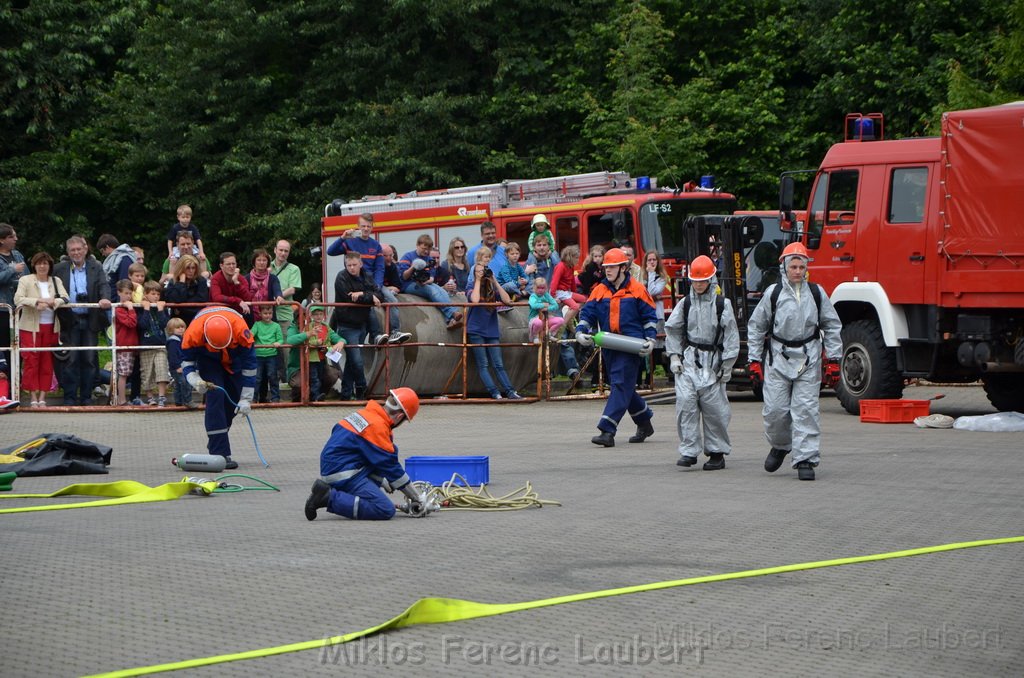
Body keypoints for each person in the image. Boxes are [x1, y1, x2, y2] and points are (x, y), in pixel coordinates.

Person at [746, 242, 843, 481]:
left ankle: (805, 459)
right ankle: (781, 444)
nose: (798, 271)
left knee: (806, 410)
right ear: (785, 268)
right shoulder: (773, 294)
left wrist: (833, 358)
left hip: (808, 357)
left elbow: (831, 325)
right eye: (794, 266)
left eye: (802, 266)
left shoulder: (817, 294)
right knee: (775, 411)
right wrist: (754, 360)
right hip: (778, 357)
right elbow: (757, 327)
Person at [303, 387, 428, 521]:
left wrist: (381, 480)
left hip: (337, 466)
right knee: (385, 509)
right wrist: (417, 499)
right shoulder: (377, 427)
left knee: (386, 455)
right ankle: (328, 498)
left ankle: (340, 493)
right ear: (400, 416)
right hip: (343, 474)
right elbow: (391, 468)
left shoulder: (367, 414)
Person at [575, 247, 658, 447]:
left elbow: (649, 318)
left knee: (620, 384)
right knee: (624, 387)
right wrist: (580, 331)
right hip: (609, 345)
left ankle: (607, 430)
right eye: (606, 267)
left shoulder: (637, 289)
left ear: (623, 268)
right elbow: (587, 314)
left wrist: (651, 340)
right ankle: (644, 422)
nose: (608, 271)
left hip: (631, 346)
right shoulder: (599, 290)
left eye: (612, 267)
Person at [664, 255, 739, 470]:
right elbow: (673, 330)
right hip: (690, 360)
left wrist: (727, 365)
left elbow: (731, 335)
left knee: (715, 410)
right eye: (695, 281)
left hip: (713, 363)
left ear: (711, 280)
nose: (698, 284)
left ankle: (717, 452)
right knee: (686, 405)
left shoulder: (722, 304)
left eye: (702, 280)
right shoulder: (685, 304)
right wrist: (674, 356)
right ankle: (689, 451)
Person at [181, 305, 257, 470]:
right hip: (209, 360)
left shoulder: (241, 332)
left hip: (233, 358)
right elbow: (187, 362)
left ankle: (216, 439)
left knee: (232, 402)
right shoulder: (193, 334)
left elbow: (250, 367)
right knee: (215, 398)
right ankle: (219, 452)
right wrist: (194, 379)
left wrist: (246, 399)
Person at [53, 235, 112, 406]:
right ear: (68, 252)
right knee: (70, 360)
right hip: (69, 319)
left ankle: (87, 396)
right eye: (73, 250)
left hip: (90, 318)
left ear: (85, 249)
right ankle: (69, 397)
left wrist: (105, 299)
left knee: (89, 358)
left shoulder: (96, 266)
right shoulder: (59, 268)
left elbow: (104, 285)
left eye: (79, 249)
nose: (77, 253)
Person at [466, 248, 522, 400]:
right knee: (483, 364)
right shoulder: (471, 287)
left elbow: (507, 300)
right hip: (475, 329)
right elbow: (475, 300)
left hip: (491, 329)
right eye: (478, 270)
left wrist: (494, 281)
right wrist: (477, 279)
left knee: (498, 363)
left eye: (484, 270)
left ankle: (510, 391)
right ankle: (494, 392)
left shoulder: (491, 286)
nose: (482, 273)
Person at [14, 251, 68, 407]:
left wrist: (53, 302)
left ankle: (43, 396)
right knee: (31, 361)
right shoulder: (26, 280)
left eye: (45, 263)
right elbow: (18, 299)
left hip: (51, 326)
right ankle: (32, 397)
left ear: (50, 265)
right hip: (29, 327)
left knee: (47, 361)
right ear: (34, 265)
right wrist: (37, 301)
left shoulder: (56, 280)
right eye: (39, 263)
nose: (42, 266)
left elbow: (65, 297)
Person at [331, 251, 383, 399]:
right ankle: (362, 387)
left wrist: (362, 294)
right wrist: (369, 296)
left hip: (362, 324)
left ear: (361, 264)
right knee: (357, 361)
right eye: (349, 265)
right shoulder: (341, 277)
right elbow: (351, 297)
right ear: (345, 265)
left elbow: (380, 295)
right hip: (347, 325)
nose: (352, 268)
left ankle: (346, 393)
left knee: (352, 362)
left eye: (354, 265)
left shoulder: (367, 275)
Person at [398, 234, 463, 329]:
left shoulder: (429, 259)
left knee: (441, 291)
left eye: (428, 249)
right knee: (430, 290)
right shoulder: (407, 256)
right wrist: (413, 267)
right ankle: (452, 313)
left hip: (424, 283)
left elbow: (432, 278)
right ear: (417, 245)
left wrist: (426, 281)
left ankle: (450, 320)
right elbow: (403, 276)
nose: (426, 251)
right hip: (409, 284)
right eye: (424, 248)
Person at [270, 239, 301, 380]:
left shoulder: (294, 268)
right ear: (275, 250)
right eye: (280, 250)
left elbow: (293, 288)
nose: (283, 253)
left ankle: (291, 381)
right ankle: (272, 381)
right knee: (269, 349)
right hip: (267, 314)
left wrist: (277, 295)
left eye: (286, 251)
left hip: (285, 314)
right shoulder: (266, 266)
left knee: (288, 349)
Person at [300, 304, 346, 401]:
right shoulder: (308, 327)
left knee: (320, 377)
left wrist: (327, 347)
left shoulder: (326, 327)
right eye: (316, 314)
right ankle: (315, 397)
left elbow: (329, 340)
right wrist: (317, 343)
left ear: (323, 315)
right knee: (314, 379)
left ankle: (318, 396)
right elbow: (305, 342)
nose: (318, 316)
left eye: (320, 314)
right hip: (312, 358)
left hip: (322, 357)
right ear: (311, 316)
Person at [137, 281, 171, 407]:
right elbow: (142, 325)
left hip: (160, 345)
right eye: (153, 294)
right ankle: (150, 397)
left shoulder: (161, 308)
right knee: (147, 372)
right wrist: (146, 309)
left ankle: (162, 396)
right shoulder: (140, 308)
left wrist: (161, 310)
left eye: (158, 294)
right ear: (145, 295)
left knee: (162, 368)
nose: (156, 296)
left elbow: (165, 325)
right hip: (145, 346)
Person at [0, 223, 27, 381]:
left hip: (20, 309)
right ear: (2, 240)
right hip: (3, 310)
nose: (16, 239)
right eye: (11, 236)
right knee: (4, 347)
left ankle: (17, 384)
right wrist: (12, 270)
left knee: (20, 348)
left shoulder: (18, 255)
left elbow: (27, 277)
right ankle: (6, 387)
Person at [639, 250, 668, 386]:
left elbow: (651, 292)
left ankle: (653, 375)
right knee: (646, 345)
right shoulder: (641, 277)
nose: (651, 262)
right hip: (644, 316)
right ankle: (645, 377)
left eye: (654, 260)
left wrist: (651, 274)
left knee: (657, 345)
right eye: (649, 260)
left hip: (657, 315)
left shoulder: (661, 278)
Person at [112, 280, 139, 406]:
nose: (129, 296)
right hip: (124, 345)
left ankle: (121, 398)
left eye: (130, 293)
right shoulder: (119, 309)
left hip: (131, 344)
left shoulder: (127, 307)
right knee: (123, 374)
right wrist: (131, 309)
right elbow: (131, 323)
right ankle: (121, 400)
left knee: (126, 373)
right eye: (126, 293)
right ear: (119, 293)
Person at [163, 254, 210, 324]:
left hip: (196, 318)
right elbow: (173, 300)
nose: (191, 271)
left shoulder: (201, 281)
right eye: (188, 268)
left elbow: (201, 300)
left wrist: (179, 308)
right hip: (178, 321)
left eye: (193, 268)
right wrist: (181, 283)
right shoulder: (173, 282)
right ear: (181, 268)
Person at [251, 303, 283, 403]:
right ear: (260, 314)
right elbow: (251, 334)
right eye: (265, 313)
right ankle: (253, 398)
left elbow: (280, 339)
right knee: (257, 378)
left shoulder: (276, 326)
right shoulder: (257, 324)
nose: (268, 315)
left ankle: (275, 398)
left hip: (271, 355)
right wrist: (247, 334)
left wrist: (278, 343)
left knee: (273, 377)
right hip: (258, 355)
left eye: (270, 313)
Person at [245, 248, 284, 327]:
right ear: (254, 262)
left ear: (268, 263)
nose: (261, 262)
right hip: (250, 318)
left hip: (268, 317)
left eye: (264, 260)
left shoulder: (273, 278)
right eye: (259, 260)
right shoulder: (246, 278)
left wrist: (279, 296)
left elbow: (277, 289)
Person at [209, 251, 252, 316]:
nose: (231, 266)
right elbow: (217, 297)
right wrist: (237, 300)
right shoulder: (215, 278)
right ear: (221, 266)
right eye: (228, 264)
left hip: (238, 314)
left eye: (233, 264)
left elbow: (248, 298)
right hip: (219, 312)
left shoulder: (241, 279)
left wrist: (237, 283)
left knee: (249, 314)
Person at [165, 317, 193, 408]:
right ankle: (187, 401)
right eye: (177, 327)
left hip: (180, 366)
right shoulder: (173, 341)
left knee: (179, 384)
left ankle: (179, 402)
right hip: (177, 367)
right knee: (184, 383)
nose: (181, 329)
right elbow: (173, 356)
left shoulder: (181, 339)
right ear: (171, 330)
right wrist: (177, 366)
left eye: (182, 327)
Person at [527, 277, 564, 343]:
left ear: (546, 288)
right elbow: (533, 305)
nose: (540, 290)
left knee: (561, 320)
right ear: (534, 288)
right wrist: (544, 304)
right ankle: (535, 336)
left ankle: (549, 334)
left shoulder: (546, 295)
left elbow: (555, 305)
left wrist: (547, 308)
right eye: (538, 288)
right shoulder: (533, 296)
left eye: (542, 288)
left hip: (546, 319)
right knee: (538, 322)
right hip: (535, 319)